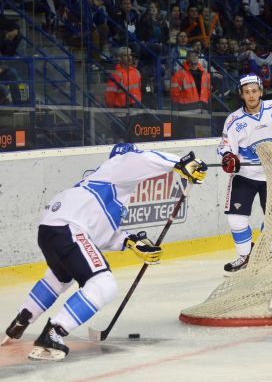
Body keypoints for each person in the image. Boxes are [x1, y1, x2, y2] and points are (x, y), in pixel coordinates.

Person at [3, 144, 207, 360]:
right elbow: (137, 159)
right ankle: (54, 332)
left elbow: (101, 236)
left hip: (52, 230)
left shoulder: (109, 190)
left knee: (61, 276)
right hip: (68, 228)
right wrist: (180, 163)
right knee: (103, 284)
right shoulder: (117, 165)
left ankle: (23, 319)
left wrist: (132, 242)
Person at [217, 73, 272, 272]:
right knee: (235, 218)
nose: (251, 95)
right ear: (241, 94)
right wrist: (227, 157)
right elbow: (224, 147)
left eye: (254, 91)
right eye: (246, 92)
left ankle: (267, 252)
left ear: (261, 92)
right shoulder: (234, 120)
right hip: (245, 176)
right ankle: (244, 256)